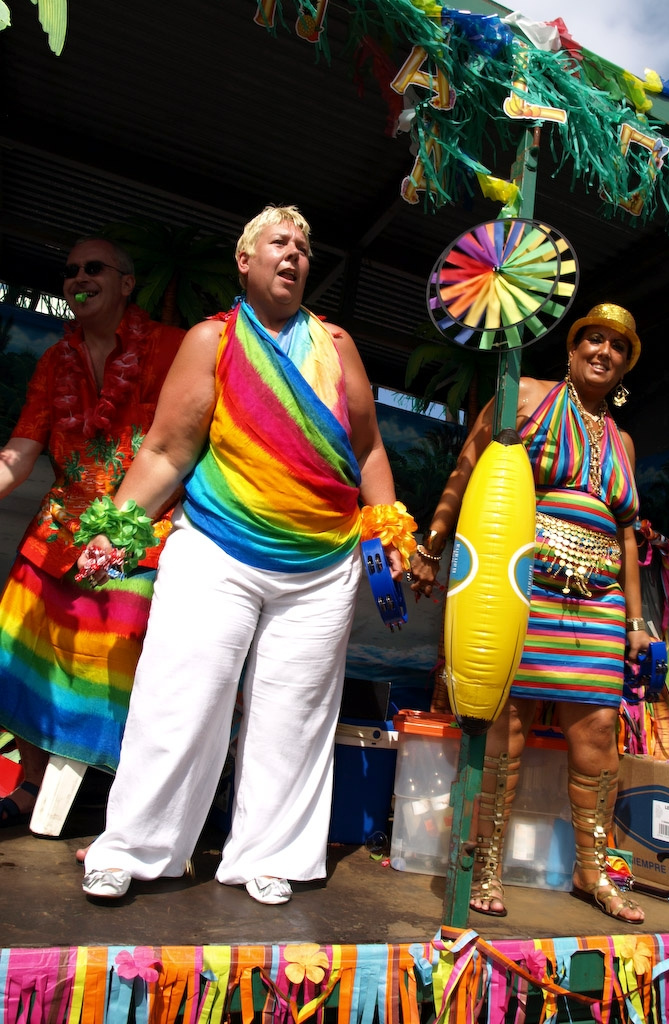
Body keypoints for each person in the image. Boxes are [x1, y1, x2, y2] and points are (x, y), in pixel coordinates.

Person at [76, 204, 413, 905]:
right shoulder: (212, 339)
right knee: (180, 702)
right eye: (279, 242)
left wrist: (388, 528)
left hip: (322, 567)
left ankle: (271, 855)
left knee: (293, 720)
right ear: (245, 260)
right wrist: (118, 527)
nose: (293, 254)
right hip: (217, 550)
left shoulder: (338, 345)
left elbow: (370, 449)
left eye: (303, 247)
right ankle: (134, 850)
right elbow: (167, 451)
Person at [410, 302, 649, 923]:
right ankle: (484, 862)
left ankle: (593, 869)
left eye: (618, 347)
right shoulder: (528, 398)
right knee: (504, 729)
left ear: (625, 366)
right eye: (593, 339)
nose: (604, 352)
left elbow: (628, 533)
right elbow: (468, 465)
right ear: (571, 349)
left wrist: (637, 622)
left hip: (599, 603)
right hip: (520, 588)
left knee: (599, 732)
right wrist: (433, 544)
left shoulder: (622, 441)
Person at [0, 239, 185, 828]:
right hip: (56, 532)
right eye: (70, 271)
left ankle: (126, 810)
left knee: (112, 669)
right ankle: (31, 785)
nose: (78, 278)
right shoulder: (54, 361)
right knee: (13, 653)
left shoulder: (173, 349)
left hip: (140, 538)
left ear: (127, 283)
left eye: (93, 268)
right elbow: (19, 454)